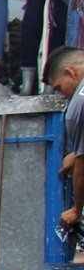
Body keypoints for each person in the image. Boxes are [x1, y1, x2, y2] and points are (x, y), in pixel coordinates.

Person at [47, 47, 84, 236]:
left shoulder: (78, 105)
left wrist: (77, 209)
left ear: (70, 73)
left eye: (59, 87)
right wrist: (76, 152)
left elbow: (82, 169)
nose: (61, 95)